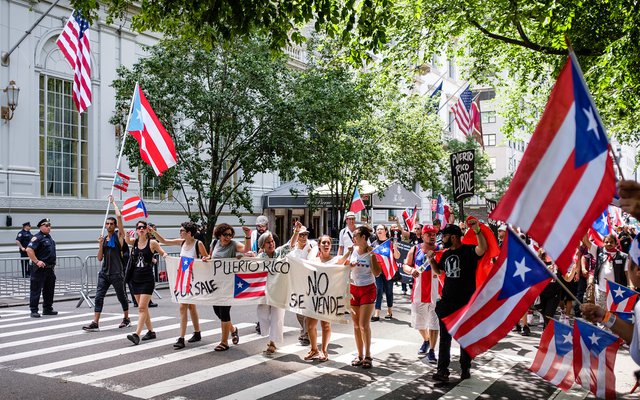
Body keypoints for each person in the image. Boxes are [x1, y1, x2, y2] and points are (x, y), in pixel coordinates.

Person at [429, 222, 486, 381]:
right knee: (444, 338)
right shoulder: (446, 254)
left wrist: (477, 231)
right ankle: (442, 370)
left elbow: (482, 248)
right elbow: (440, 271)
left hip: (465, 303)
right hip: (447, 302)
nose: (443, 239)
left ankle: (465, 367)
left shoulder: (468, 251)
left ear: (453, 237)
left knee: (464, 337)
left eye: (445, 236)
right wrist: (432, 260)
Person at [151, 221, 208, 349]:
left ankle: (182, 338)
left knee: (184, 306)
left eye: (181, 230)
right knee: (190, 306)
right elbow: (165, 241)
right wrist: (154, 232)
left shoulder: (198, 244)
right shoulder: (181, 242)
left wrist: (205, 258)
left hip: (193, 279)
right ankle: (197, 333)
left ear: (189, 233)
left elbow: (207, 257)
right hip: (183, 278)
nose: (180, 232)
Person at [83, 196, 131, 331]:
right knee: (99, 297)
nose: (109, 225)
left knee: (122, 296)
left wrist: (113, 203)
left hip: (117, 273)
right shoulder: (104, 239)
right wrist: (100, 245)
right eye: (107, 224)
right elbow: (99, 258)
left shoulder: (119, 236)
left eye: (111, 224)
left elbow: (119, 217)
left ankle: (126, 318)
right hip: (104, 273)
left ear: (115, 226)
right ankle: (95, 322)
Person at [304, 235, 352, 361]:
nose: (326, 245)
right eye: (323, 243)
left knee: (325, 325)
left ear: (330, 246)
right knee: (310, 326)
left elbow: (343, 264)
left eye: (328, 243)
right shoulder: (313, 261)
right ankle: (314, 349)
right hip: (314, 297)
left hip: (328, 298)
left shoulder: (336, 259)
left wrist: (349, 254)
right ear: (319, 245)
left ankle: (324, 350)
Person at [206, 223, 250, 351]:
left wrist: (247, 236)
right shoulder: (214, 244)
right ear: (219, 234)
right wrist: (206, 258)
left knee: (224, 312)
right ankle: (233, 329)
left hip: (228, 284)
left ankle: (224, 342)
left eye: (230, 235)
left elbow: (246, 250)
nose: (228, 237)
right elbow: (211, 257)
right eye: (225, 234)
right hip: (216, 284)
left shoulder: (233, 244)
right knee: (217, 311)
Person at [124, 221, 168, 345]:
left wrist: (166, 256)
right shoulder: (135, 242)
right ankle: (151, 331)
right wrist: (127, 235)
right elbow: (127, 241)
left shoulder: (152, 242)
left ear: (147, 229)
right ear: (137, 230)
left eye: (143, 227)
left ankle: (136, 334)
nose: (141, 229)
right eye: (139, 227)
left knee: (142, 307)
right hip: (135, 279)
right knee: (142, 308)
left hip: (147, 279)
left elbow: (162, 251)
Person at [404, 224, 442, 363]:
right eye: (429, 234)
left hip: (436, 293)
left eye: (434, 234)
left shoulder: (441, 250)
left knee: (434, 323)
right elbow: (406, 265)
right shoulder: (415, 249)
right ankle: (426, 340)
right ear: (423, 235)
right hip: (419, 292)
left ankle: (432, 350)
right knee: (419, 324)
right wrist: (410, 270)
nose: (432, 236)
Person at [346, 226, 382, 369]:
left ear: (363, 238)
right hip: (354, 288)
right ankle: (359, 355)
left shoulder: (372, 252)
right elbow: (342, 266)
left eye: (356, 236)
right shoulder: (352, 251)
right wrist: (349, 264)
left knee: (363, 324)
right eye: (353, 236)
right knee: (355, 325)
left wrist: (372, 257)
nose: (353, 238)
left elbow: (377, 273)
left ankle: (368, 355)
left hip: (368, 288)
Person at [255, 231, 287, 356]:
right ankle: (268, 333)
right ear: (263, 245)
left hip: (279, 291)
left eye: (272, 241)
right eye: (268, 242)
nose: (271, 244)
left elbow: (291, 244)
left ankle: (272, 342)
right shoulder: (259, 258)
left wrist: (296, 232)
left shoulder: (280, 253)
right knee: (262, 313)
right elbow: (247, 267)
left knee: (277, 317)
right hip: (264, 292)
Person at [288, 222, 317, 345]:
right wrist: (296, 231)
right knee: (298, 310)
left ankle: (306, 334)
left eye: (305, 234)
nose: (304, 237)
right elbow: (290, 245)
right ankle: (304, 330)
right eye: (301, 235)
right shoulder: (293, 249)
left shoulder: (313, 246)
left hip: (310, 282)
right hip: (297, 283)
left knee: (308, 309)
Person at [25, 218, 58, 318]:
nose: (49, 227)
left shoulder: (49, 238)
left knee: (49, 289)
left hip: (49, 269)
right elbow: (29, 250)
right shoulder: (37, 237)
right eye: (46, 226)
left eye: (49, 225)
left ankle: (47, 308)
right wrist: (37, 261)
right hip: (39, 269)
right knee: (36, 290)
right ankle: (34, 310)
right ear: (40, 226)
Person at [594, 234, 630, 310]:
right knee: (600, 311)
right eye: (606, 242)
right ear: (603, 242)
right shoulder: (598, 251)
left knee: (613, 312)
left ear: (615, 243)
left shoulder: (623, 256)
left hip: (616, 291)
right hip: (601, 290)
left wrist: (630, 287)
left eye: (611, 242)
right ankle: (600, 322)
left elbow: (627, 273)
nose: (609, 244)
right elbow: (586, 241)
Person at [371, 224, 393, 322]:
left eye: (381, 229)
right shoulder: (374, 244)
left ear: (386, 231)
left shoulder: (390, 242)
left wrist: (395, 248)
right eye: (377, 229)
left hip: (388, 270)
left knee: (389, 290)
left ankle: (389, 310)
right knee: (378, 290)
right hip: (378, 271)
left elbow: (396, 256)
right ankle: (377, 312)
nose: (379, 230)